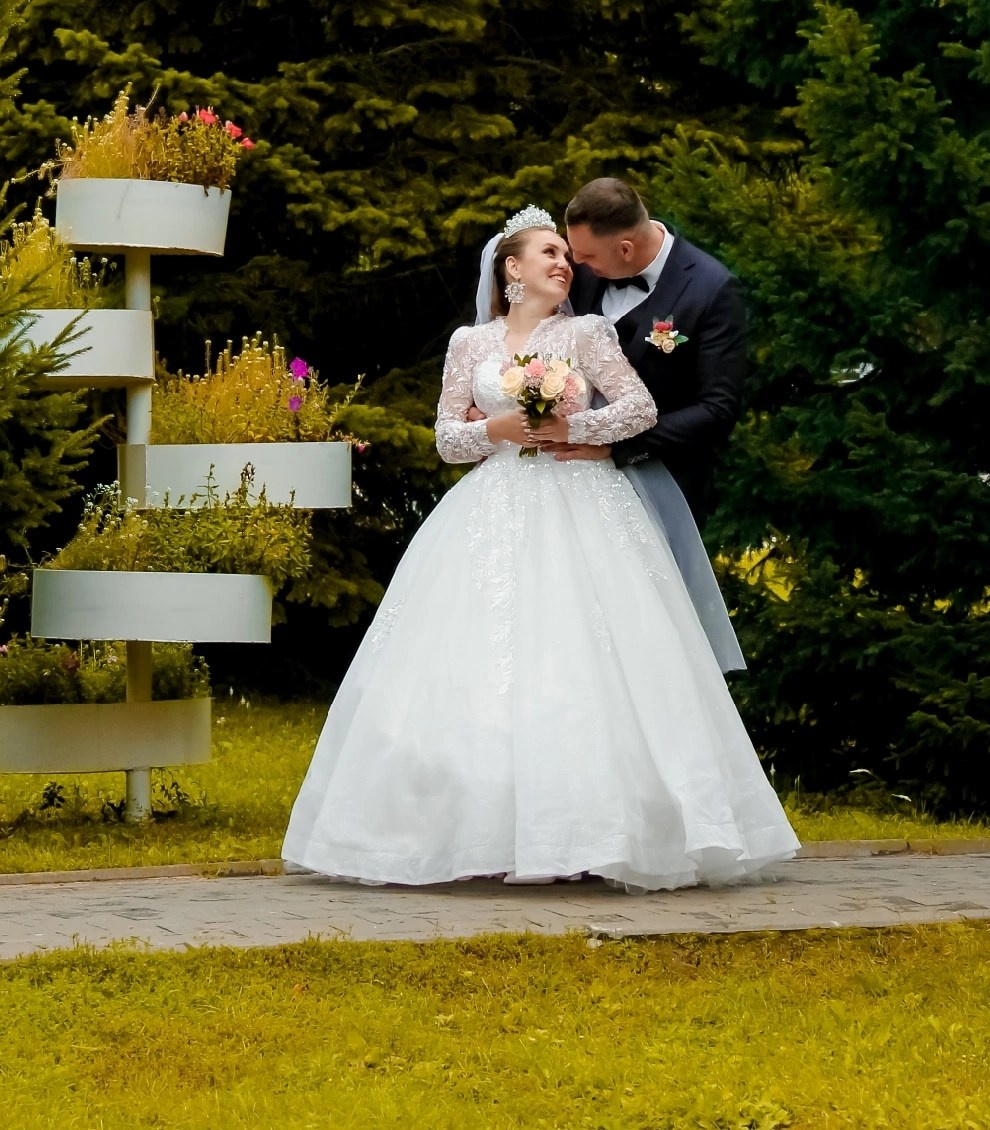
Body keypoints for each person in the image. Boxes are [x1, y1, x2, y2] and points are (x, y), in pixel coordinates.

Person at [280, 207, 798, 890]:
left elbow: (640, 408)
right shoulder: (470, 342)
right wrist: (502, 425)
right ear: (511, 269)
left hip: (584, 499)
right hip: (493, 507)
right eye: (548, 253)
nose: (563, 264)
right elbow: (445, 439)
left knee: (590, 660)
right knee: (483, 665)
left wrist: (575, 427)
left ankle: (598, 834)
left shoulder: (588, 332)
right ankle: (480, 832)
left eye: (567, 255)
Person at [557, 177, 750, 672]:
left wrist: (616, 446)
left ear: (626, 246)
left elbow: (717, 408)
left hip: (661, 486)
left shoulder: (711, 289)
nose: (573, 265)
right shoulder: (580, 272)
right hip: (566, 485)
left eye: (586, 257)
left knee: (649, 640)